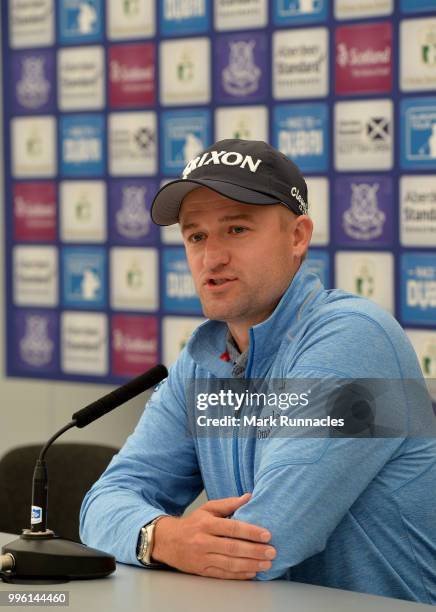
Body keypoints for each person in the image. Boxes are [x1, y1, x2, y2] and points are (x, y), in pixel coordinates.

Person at [80, 139, 436, 603]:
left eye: (237, 229)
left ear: (298, 237)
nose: (212, 258)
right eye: (196, 236)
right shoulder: (201, 359)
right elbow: (101, 504)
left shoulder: (355, 337)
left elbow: (267, 540)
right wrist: (162, 537)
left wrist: (170, 538)